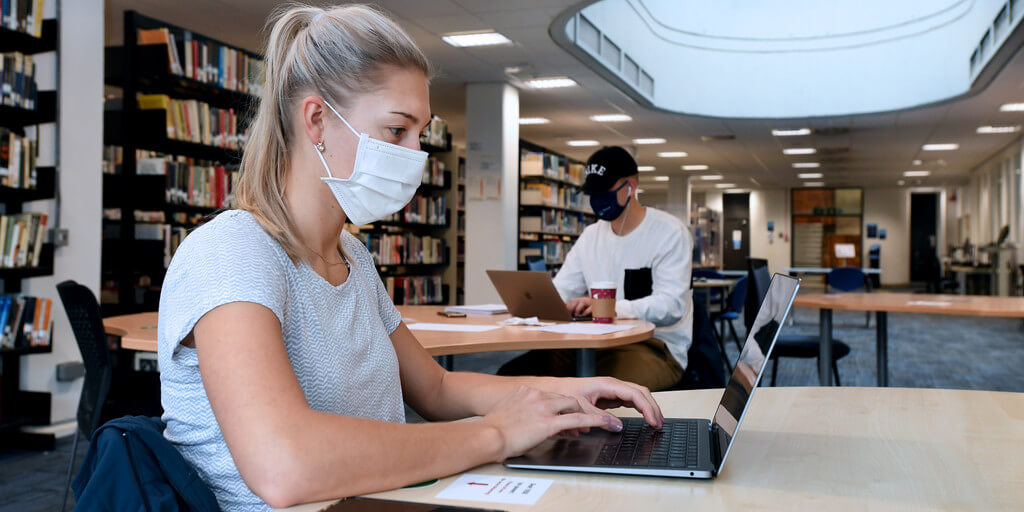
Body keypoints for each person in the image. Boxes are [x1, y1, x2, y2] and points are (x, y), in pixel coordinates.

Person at [156, 5, 664, 511]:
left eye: (420, 133)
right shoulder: (230, 253)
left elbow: (436, 388)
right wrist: (495, 434)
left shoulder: (351, 254)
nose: (416, 156)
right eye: (397, 131)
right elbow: (284, 466)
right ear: (316, 121)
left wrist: (568, 394)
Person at [499, 146, 694, 391]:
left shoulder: (669, 232)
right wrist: (539, 303)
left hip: (653, 345)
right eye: (593, 193)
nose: (597, 200)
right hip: (589, 343)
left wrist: (610, 308)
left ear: (630, 187)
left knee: (601, 391)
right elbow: (563, 288)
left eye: (604, 191)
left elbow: (671, 306)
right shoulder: (591, 235)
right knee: (510, 378)